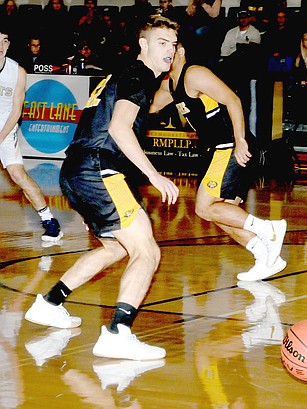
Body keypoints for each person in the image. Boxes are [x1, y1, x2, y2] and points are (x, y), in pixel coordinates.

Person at [24, 16, 180, 361]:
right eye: (161, 42)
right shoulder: (139, 75)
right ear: (144, 44)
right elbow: (120, 128)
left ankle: (49, 303)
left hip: (78, 169)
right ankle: (117, 333)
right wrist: (154, 175)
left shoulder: (121, 75)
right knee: (147, 251)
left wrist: (86, 194)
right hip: (99, 168)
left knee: (114, 248)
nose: (169, 50)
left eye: (173, 43)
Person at [151, 42, 287, 282]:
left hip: (230, 145)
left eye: (171, 46)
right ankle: (265, 255)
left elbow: (232, 100)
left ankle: (270, 230)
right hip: (217, 149)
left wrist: (240, 140)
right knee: (220, 212)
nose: (166, 52)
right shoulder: (169, 84)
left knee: (204, 208)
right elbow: (148, 108)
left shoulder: (194, 74)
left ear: (181, 51)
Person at [0, 29, 63, 242]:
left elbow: (16, 111)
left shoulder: (17, 72)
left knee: (18, 175)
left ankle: (49, 221)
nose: (0, 46)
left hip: (5, 129)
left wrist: (0, 138)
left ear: (9, 44)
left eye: (4, 41)